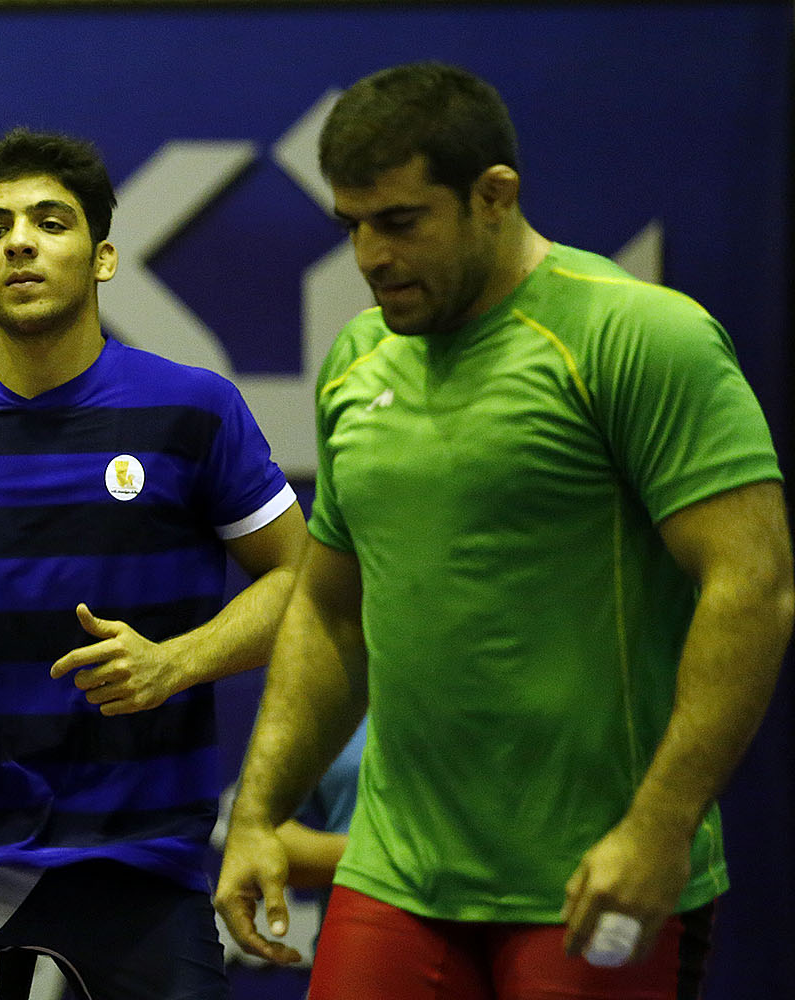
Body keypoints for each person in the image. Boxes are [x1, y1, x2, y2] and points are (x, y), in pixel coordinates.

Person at [214, 62, 793, 1000]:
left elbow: (753, 585)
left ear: (494, 196)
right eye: (352, 225)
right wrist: (257, 816)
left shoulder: (640, 336)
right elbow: (329, 613)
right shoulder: (358, 361)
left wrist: (661, 826)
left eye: (400, 221)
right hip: (394, 874)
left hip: (590, 876)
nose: (370, 256)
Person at [0, 127, 308, 1000]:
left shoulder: (195, 409)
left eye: (50, 222)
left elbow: (299, 583)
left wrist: (175, 662)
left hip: (144, 860)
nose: (20, 243)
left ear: (104, 258)